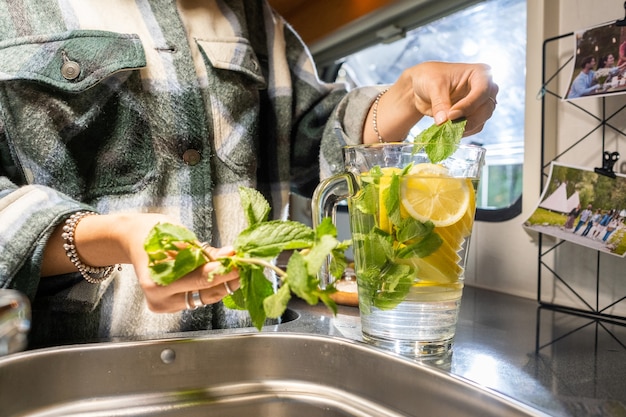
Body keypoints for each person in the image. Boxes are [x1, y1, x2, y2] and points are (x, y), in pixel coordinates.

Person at [0, 0, 498, 348]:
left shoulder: (253, 18)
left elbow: (312, 138)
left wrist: (408, 95)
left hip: (249, 352)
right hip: (72, 365)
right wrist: (113, 237)